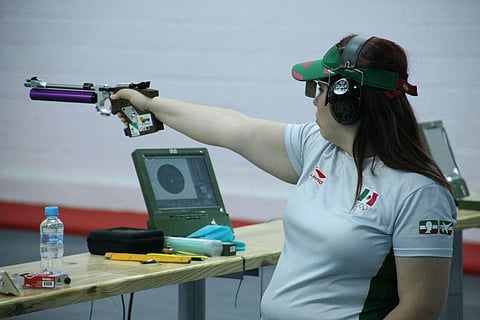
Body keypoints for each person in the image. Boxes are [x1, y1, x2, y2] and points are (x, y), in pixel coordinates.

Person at [111, 34, 457, 320]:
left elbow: (419, 310)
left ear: (345, 100)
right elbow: (234, 127)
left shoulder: (419, 192)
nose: (315, 101)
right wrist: (151, 105)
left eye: (320, 89)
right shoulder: (317, 147)